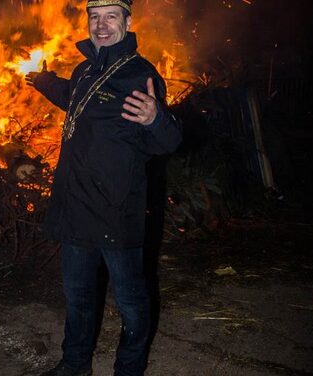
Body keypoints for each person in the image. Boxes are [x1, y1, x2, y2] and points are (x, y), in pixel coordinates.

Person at [25, 1, 182, 375]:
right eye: (95, 17)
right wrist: (41, 80)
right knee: (78, 297)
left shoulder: (140, 75)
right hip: (76, 207)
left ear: (127, 22)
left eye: (111, 16)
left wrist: (157, 118)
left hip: (117, 211)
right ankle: (75, 364)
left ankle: (128, 369)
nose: (101, 25)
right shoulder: (83, 71)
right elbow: (71, 98)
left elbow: (171, 140)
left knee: (130, 303)